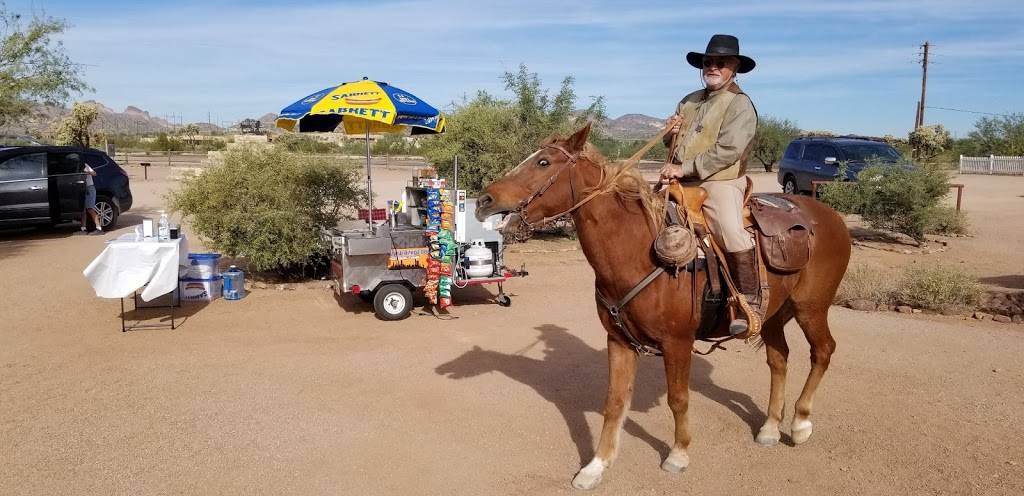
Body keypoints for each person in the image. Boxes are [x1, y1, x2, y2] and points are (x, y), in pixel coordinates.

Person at [659, 34, 761, 336]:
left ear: (735, 68)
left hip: (720, 181)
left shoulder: (740, 104)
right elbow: (673, 143)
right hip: (679, 179)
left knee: (731, 232)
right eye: (708, 62)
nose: (712, 67)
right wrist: (669, 132)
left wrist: (684, 168)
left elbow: (728, 150)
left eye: (721, 62)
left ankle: (747, 302)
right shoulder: (688, 100)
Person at [80, 162, 103, 235]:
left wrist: (87, 172)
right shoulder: (77, 166)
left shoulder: (85, 165)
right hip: (82, 187)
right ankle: (83, 228)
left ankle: (99, 228)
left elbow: (94, 173)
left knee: (90, 208)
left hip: (89, 188)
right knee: (83, 209)